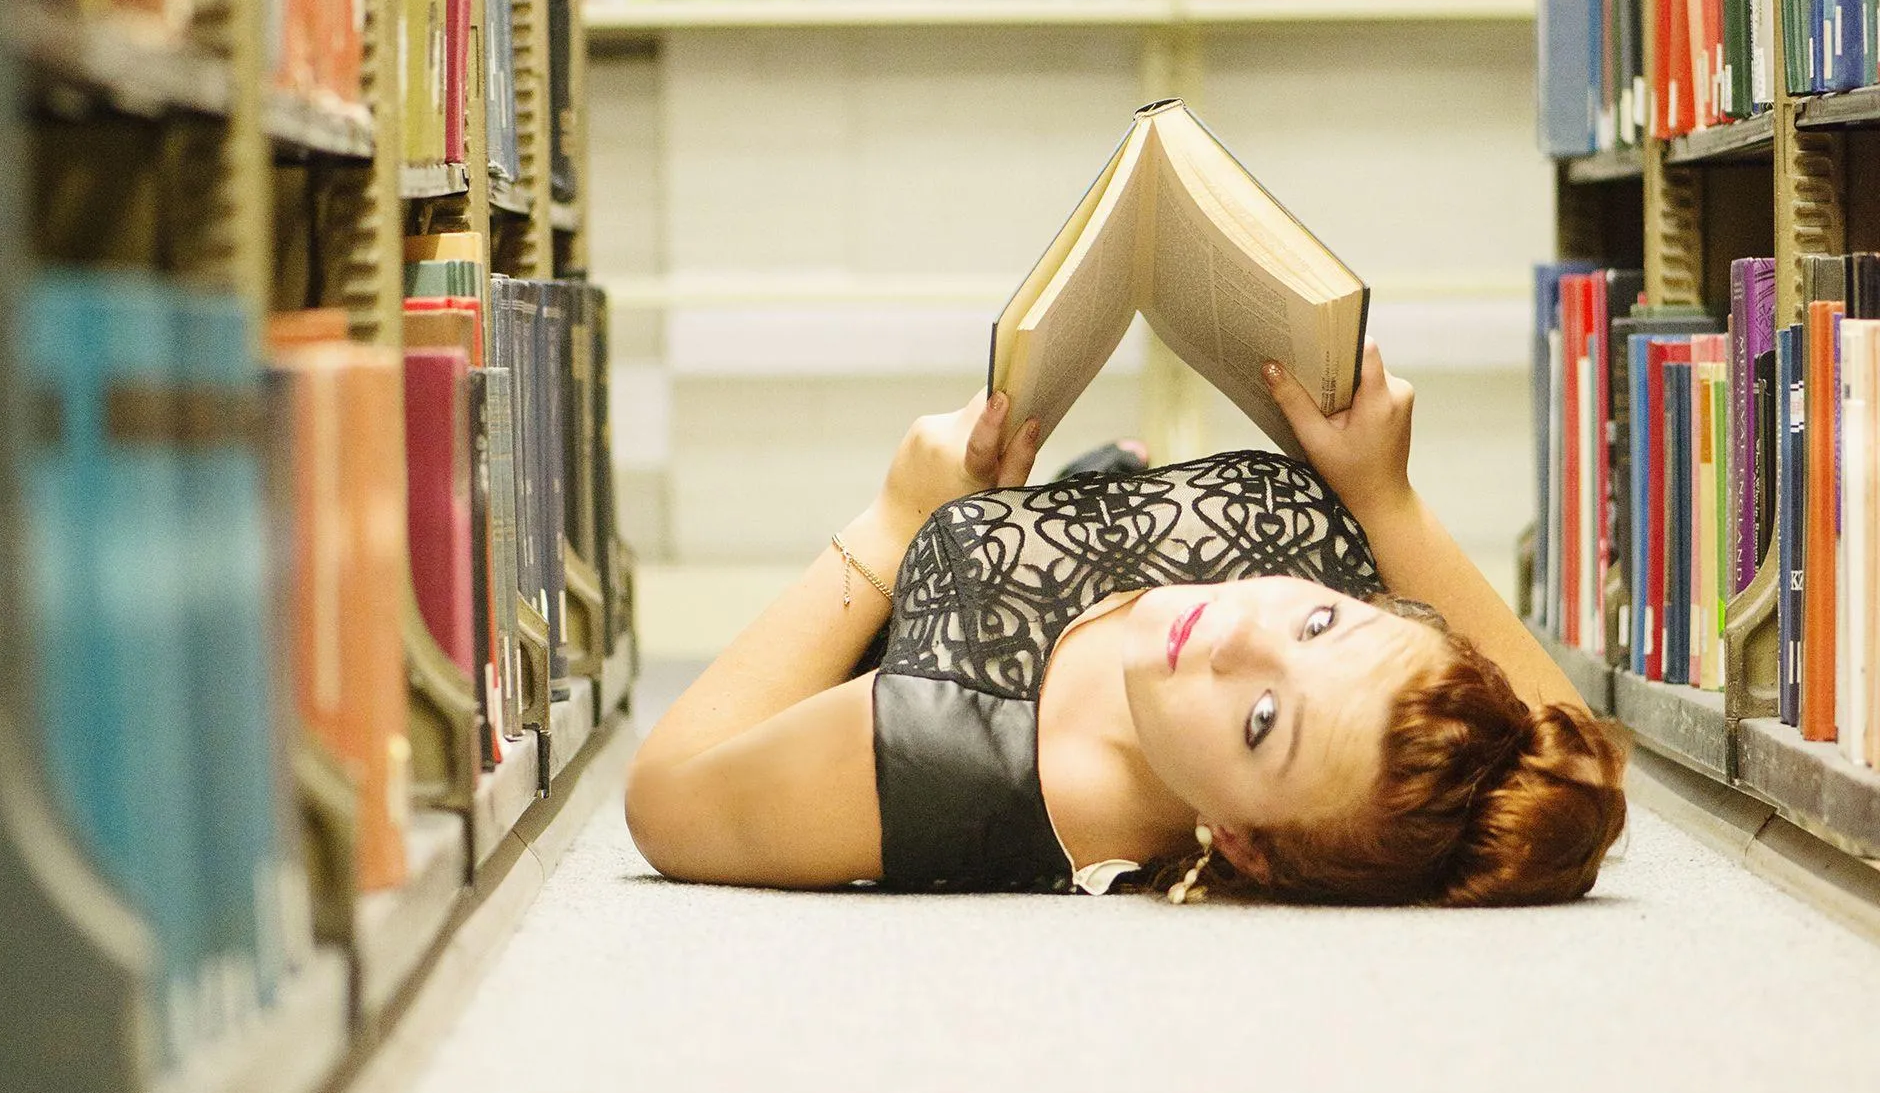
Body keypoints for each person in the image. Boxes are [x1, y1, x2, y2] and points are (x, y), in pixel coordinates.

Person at [626, 346, 1627, 906]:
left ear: (1240, 843)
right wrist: (1385, 497)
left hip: (923, 622)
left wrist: (892, 523)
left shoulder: (943, 756)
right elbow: (1565, 756)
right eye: (1320, 620)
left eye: (1262, 720)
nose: (1240, 631)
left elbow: (667, 800)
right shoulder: (1326, 582)